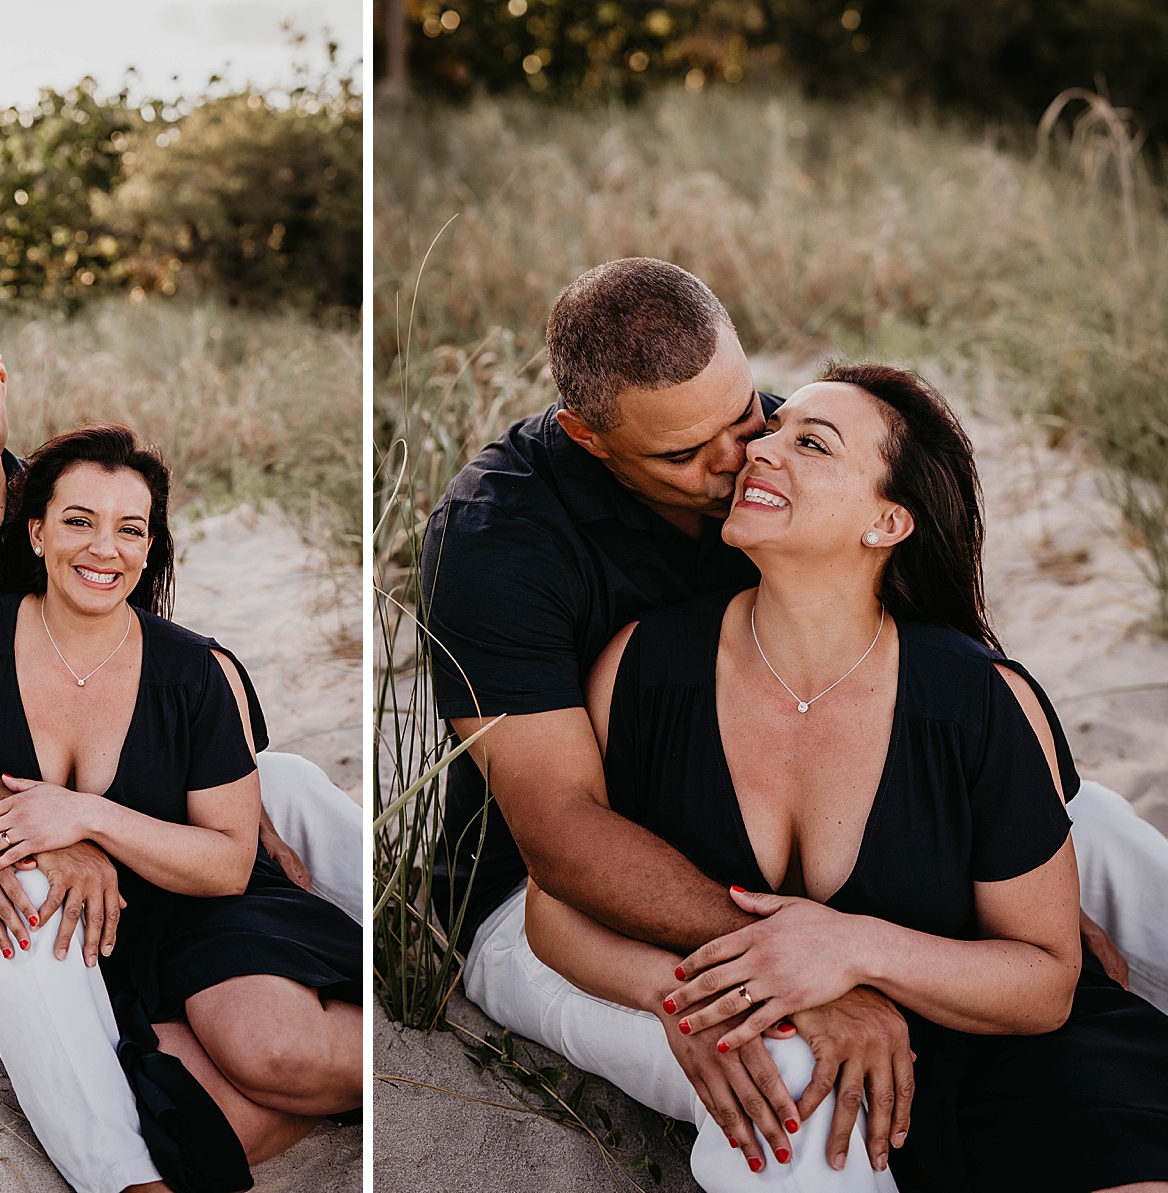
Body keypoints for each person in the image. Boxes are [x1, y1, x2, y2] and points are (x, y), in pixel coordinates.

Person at [420, 258, 1168, 1179]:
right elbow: (561, 841)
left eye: (749, 416)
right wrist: (787, 972)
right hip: (565, 902)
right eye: (684, 455)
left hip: (806, 864)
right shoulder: (496, 542)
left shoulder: (772, 451)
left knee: (1102, 835)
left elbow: (931, 644)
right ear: (589, 437)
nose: (739, 460)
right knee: (791, 1072)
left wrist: (1019, 886)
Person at [0, 306, 362, 1193]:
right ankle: (125, 1174)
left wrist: (233, 795)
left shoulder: (60, 490)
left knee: (285, 779)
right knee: (33, 902)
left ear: (3, 381)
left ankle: (400, 965)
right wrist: (42, 831)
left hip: (64, 787)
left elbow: (136, 648)